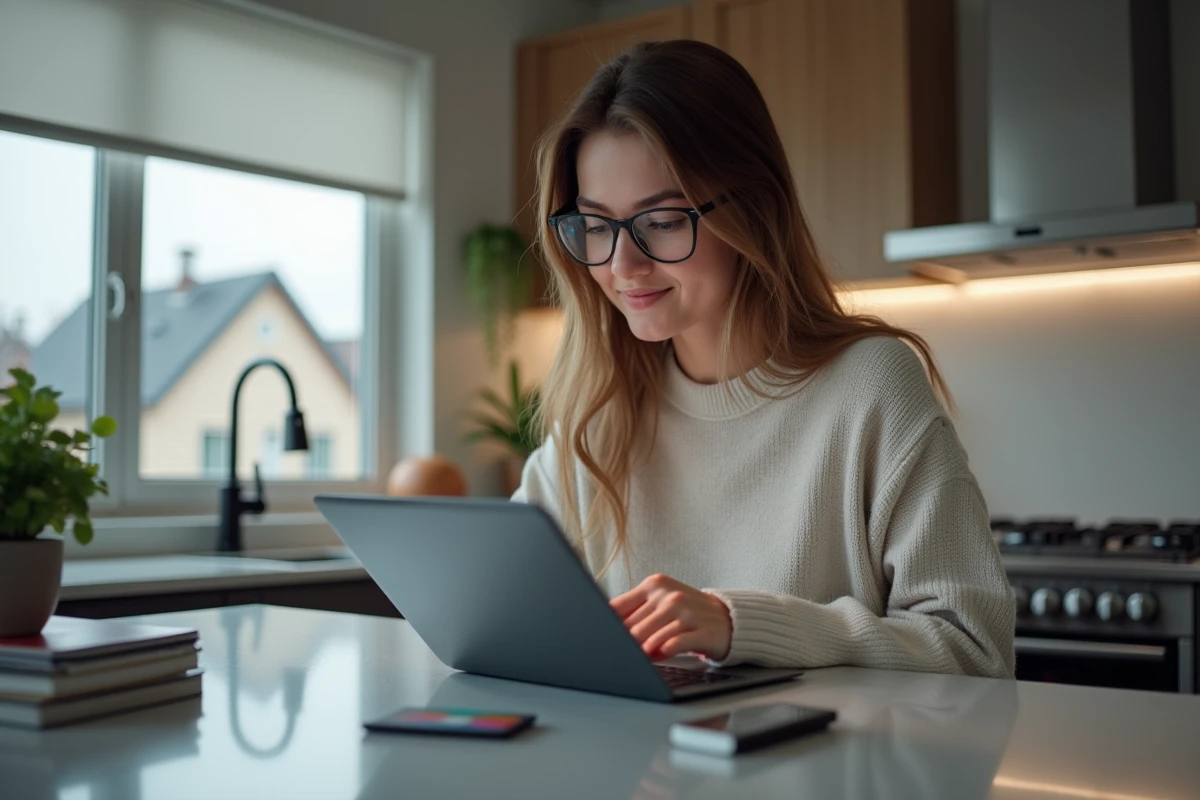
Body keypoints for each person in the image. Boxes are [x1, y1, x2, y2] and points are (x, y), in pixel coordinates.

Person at [511, 40, 1014, 679]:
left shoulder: (871, 386)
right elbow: (509, 612)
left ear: (752, 206)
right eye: (597, 224)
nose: (621, 265)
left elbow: (975, 651)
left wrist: (742, 625)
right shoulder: (600, 409)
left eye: (662, 221)